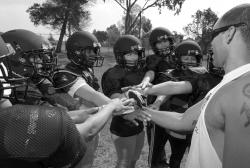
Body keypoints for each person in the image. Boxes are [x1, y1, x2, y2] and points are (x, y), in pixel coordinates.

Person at [0, 34, 135, 168]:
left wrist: (100, 110)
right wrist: (115, 108)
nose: (42, 62)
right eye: (36, 57)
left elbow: (55, 111)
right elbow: (88, 107)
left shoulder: (35, 81)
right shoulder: (62, 75)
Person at [142, 3, 250, 168]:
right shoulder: (228, 84)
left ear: (229, 34)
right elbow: (183, 120)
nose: (210, 44)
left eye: (213, 35)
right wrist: (141, 110)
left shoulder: (242, 94)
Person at [101, 35, 146, 168]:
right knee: (124, 162)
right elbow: (115, 98)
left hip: (139, 123)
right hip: (123, 123)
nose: (134, 58)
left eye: (136, 54)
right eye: (129, 55)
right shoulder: (113, 73)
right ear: (120, 55)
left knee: (134, 160)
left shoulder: (140, 72)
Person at [136, 27, 176, 168]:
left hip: (177, 107)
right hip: (156, 108)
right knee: (156, 148)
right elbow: (151, 71)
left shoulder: (177, 57)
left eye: (165, 41)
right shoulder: (153, 59)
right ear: (154, 45)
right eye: (159, 43)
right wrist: (146, 80)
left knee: (177, 148)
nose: (164, 45)